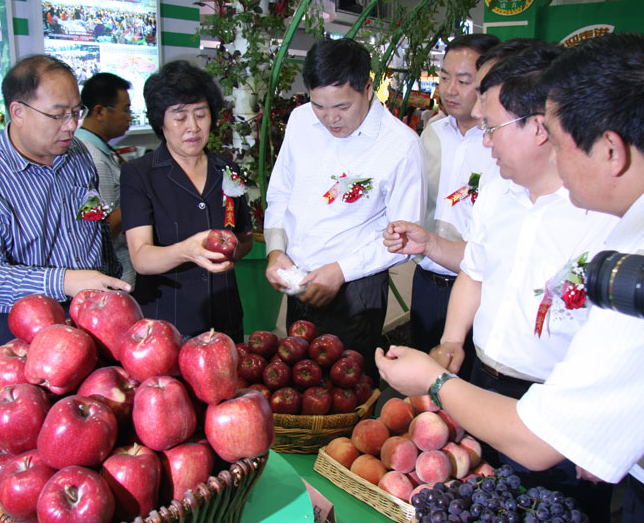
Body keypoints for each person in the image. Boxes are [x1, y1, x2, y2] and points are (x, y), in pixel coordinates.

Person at [377, 33, 644, 520]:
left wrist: (432, 381)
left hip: (553, 408)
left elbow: (544, 439)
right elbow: (478, 270)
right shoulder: (504, 190)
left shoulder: (626, 243)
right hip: (495, 389)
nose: (484, 142)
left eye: (563, 142)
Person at [264, 37, 426, 379]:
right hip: (300, 280)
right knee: (299, 384)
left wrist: (341, 270)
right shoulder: (299, 121)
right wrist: (276, 251)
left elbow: (403, 239)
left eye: (341, 106)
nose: (329, 118)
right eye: (319, 105)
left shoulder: (400, 146)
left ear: (368, 88)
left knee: (348, 388)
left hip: (356, 290)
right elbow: (280, 193)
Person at [0, 54, 129, 348]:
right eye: (58, 115)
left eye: (76, 112)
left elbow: (93, 220)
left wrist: (108, 276)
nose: (71, 125)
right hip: (24, 331)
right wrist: (65, 282)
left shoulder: (78, 155)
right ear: (18, 112)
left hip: (94, 314)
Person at [120, 60, 253, 343]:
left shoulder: (227, 170)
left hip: (225, 317)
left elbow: (245, 238)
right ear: (161, 121)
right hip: (168, 324)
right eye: (180, 117)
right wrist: (188, 251)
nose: (193, 127)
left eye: (201, 114)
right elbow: (141, 257)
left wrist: (229, 253)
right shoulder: (139, 174)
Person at [405, 33, 499, 380]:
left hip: (478, 287)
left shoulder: (498, 142)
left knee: (471, 387)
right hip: (428, 280)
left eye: (463, 80)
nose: (449, 89)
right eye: (444, 77)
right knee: (423, 389)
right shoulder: (432, 132)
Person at [76, 72, 136, 288]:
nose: (129, 117)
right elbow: (102, 228)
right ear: (99, 111)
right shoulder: (92, 159)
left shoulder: (98, 150)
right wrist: (141, 199)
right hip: (112, 278)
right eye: (125, 110)